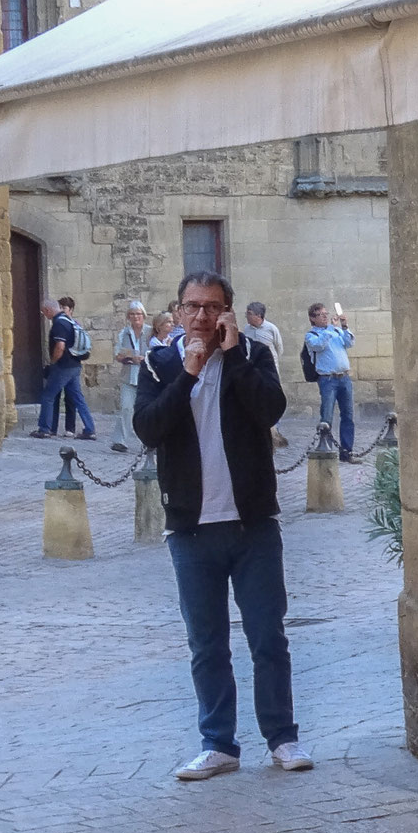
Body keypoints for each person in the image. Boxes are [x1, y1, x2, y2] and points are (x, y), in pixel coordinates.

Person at [133, 270, 313, 782]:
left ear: (228, 313)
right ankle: (218, 744)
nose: (202, 317)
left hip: (252, 525)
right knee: (207, 643)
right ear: (179, 309)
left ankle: (282, 737)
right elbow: (147, 427)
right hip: (191, 530)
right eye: (193, 306)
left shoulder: (252, 356)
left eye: (213, 307)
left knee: (267, 637)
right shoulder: (160, 361)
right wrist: (187, 374)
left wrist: (232, 356)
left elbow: (270, 410)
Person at [32, 297, 97, 441]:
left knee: (48, 396)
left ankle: (44, 429)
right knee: (78, 398)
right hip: (74, 365)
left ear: (49, 310)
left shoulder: (59, 324)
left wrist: (53, 362)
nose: (44, 315)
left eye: (44, 312)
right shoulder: (69, 321)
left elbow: (60, 347)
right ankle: (90, 429)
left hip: (63, 366)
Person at [301, 303, 356, 460]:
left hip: (344, 377)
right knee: (327, 416)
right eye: (320, 315)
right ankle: (326, 450)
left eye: (326, 313)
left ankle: (347, 451)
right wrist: (331, 329)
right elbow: (319, 346)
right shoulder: (311, 335)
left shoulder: (336, 331)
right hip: (327, 379)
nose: (325, 316)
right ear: (312, 318)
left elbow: (349, 343)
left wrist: (344, 327)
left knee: (348, 415)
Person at [111, 301, 149, 452]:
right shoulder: (124, 333)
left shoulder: (150, 331)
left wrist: (144, 359)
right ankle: (120, 440)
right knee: (126, 407)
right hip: (129, 375)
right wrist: (128, 358)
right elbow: (118, 354)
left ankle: (148, 439)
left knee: (146, 409)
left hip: (146, 377)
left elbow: (157, 351)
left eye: (138, 314)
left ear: (143, 316)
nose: (135, 317)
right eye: (132, 314)